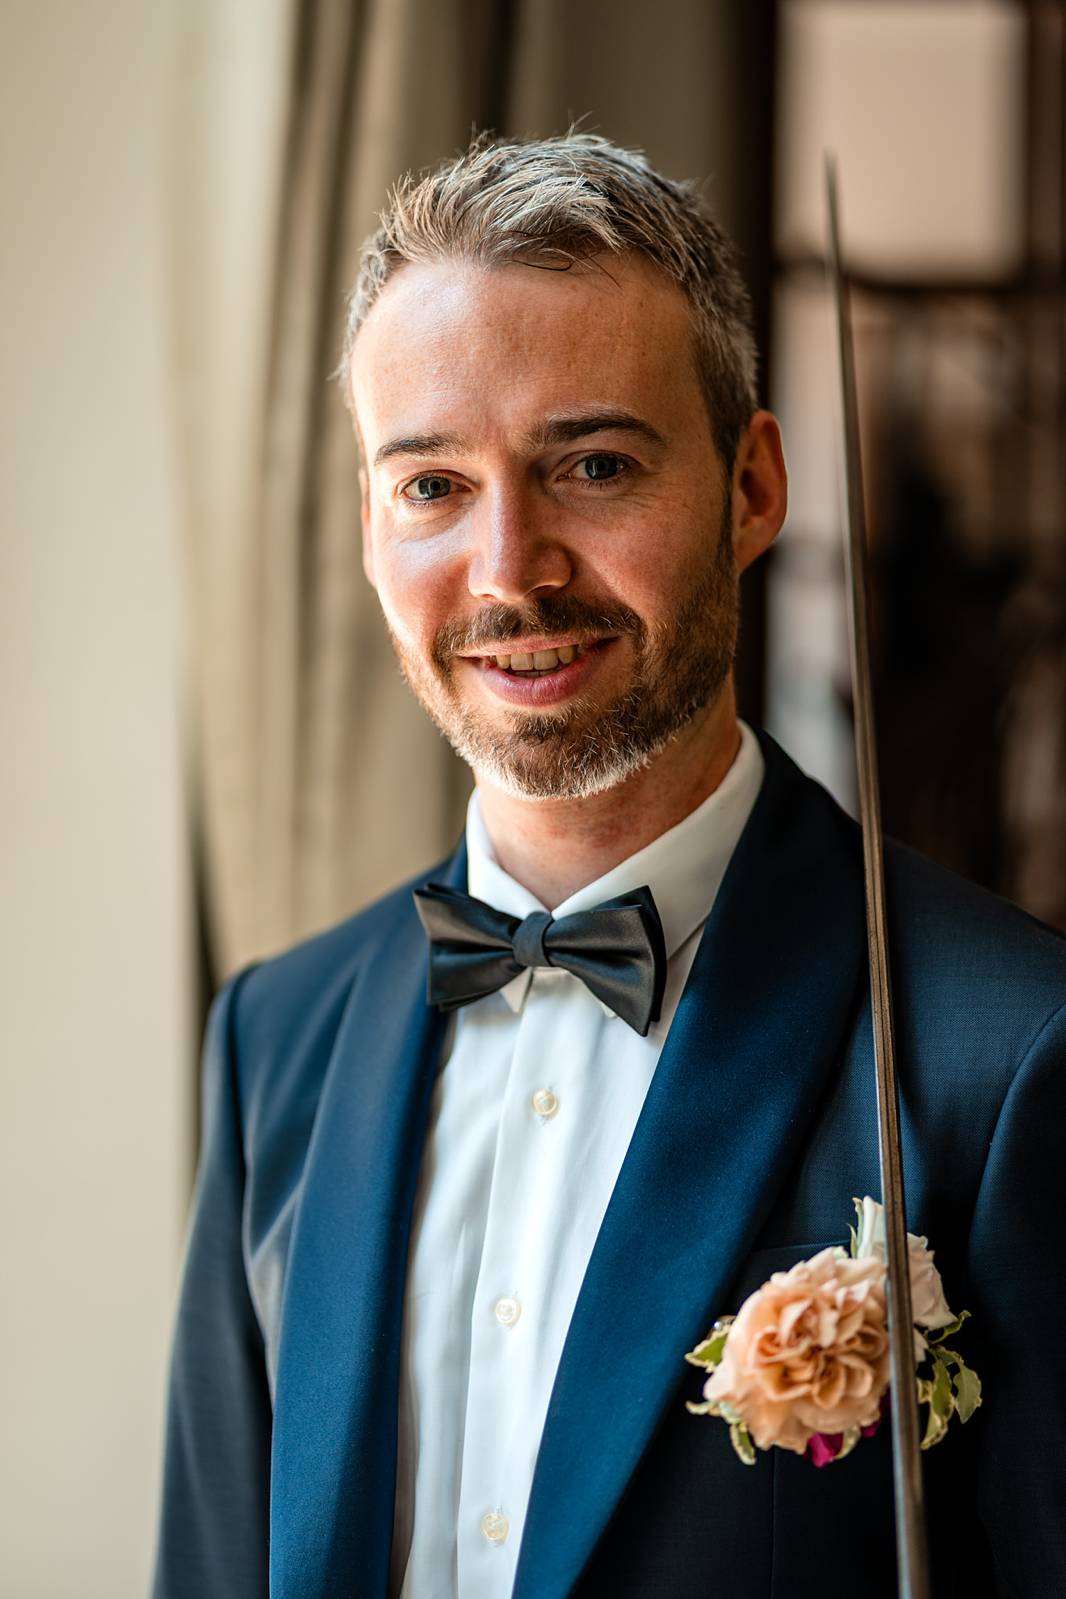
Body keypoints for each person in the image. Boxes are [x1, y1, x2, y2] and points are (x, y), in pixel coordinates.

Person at [153, 133, 1066, 1599]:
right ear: (371, 530)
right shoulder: (274, 1040)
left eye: (590, 464)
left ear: (751, 487)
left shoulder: (1012, 1054)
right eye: (433, 485)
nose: (510, 568)